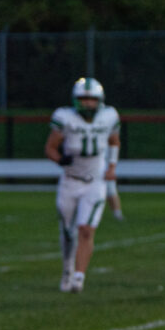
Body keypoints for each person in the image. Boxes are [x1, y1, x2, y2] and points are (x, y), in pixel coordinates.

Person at [44, 77, 121, 293]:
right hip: (70, 181)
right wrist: (60, 160)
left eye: (91, 99)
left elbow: (114, 141)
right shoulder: (65, 118)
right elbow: (50, 148)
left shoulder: (109, 116)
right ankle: (67, 269)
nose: (88, 103)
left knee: (86, 230)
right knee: (68, 233)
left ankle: (79, 277)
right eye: (83, 99)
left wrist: (112, 166)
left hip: (94, 182)